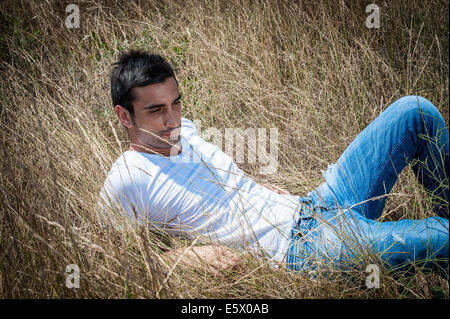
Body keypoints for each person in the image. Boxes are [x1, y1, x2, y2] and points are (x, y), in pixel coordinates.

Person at [99, 50, 449, 275]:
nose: (173, 118)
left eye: (176, 103)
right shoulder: (126, 179)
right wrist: (180, 258)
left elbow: (215, 181)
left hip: (317, 202)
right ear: (124, 116)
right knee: (442, 237)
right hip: (303, 249)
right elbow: (110, 267)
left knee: (415, 111)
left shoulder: (183, 129)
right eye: (157, 110)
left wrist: (256, 189)